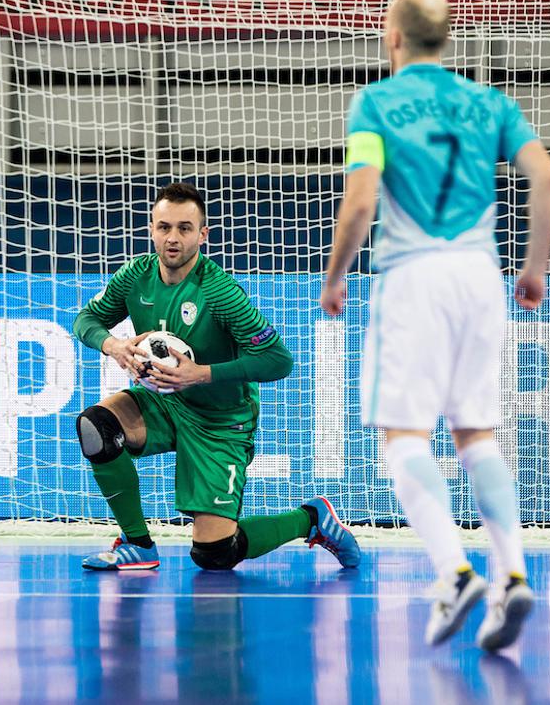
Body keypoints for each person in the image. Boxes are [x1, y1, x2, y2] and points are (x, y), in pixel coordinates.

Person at [320, 0, 550, 651]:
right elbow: (547, 179)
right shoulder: (491, 104)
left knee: (405, 437)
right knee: (476, 435)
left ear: (393, 39)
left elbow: (362, 196)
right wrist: (533, 268)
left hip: (414, 278)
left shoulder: (376, 103)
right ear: (444, 39)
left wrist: (336, 276)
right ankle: (512, 574)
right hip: (481, 276)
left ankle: (455, 574)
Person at [74, 182, 360, 572]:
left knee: (216, 554)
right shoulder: (135, 276)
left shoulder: (220, 292)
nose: (172, 238)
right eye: (164, 227)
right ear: (152, 228)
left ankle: (312, 518)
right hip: (165, 401)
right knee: (97, 426)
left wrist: (200, 374)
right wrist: (114, 345)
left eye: (185, 228)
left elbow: (278, 360)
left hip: (220, 420)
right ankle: (137, 545)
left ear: (202, 234)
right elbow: (86, 319)